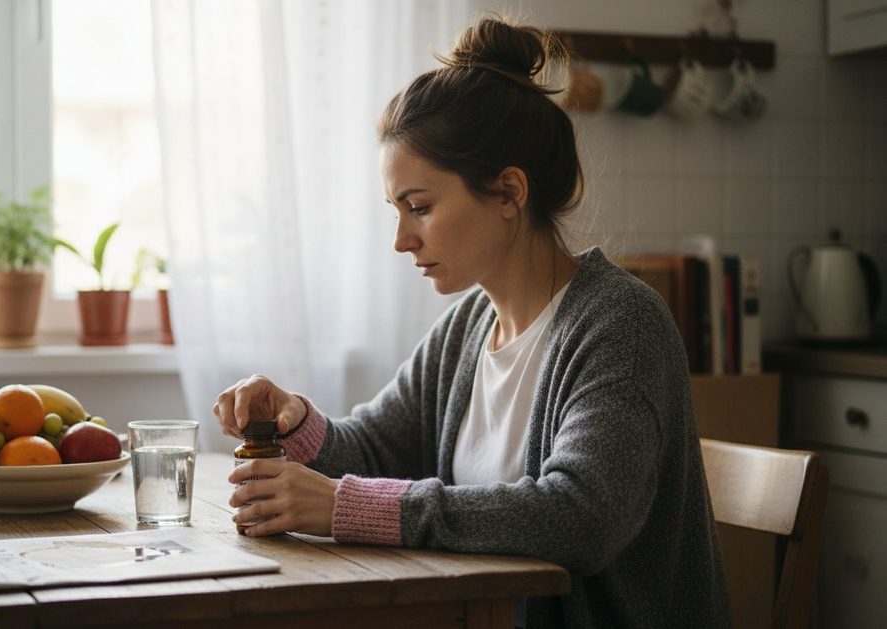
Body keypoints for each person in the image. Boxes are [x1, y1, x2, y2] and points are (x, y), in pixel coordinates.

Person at [213, 15, 733, 629]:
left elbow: (582, 519)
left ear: (510, 192)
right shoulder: (467, 327)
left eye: (420, 207)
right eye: (397, 210)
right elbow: (379, 447)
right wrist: (297, 422)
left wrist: (346, 508)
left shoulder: (620, 324)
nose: (402, 239)